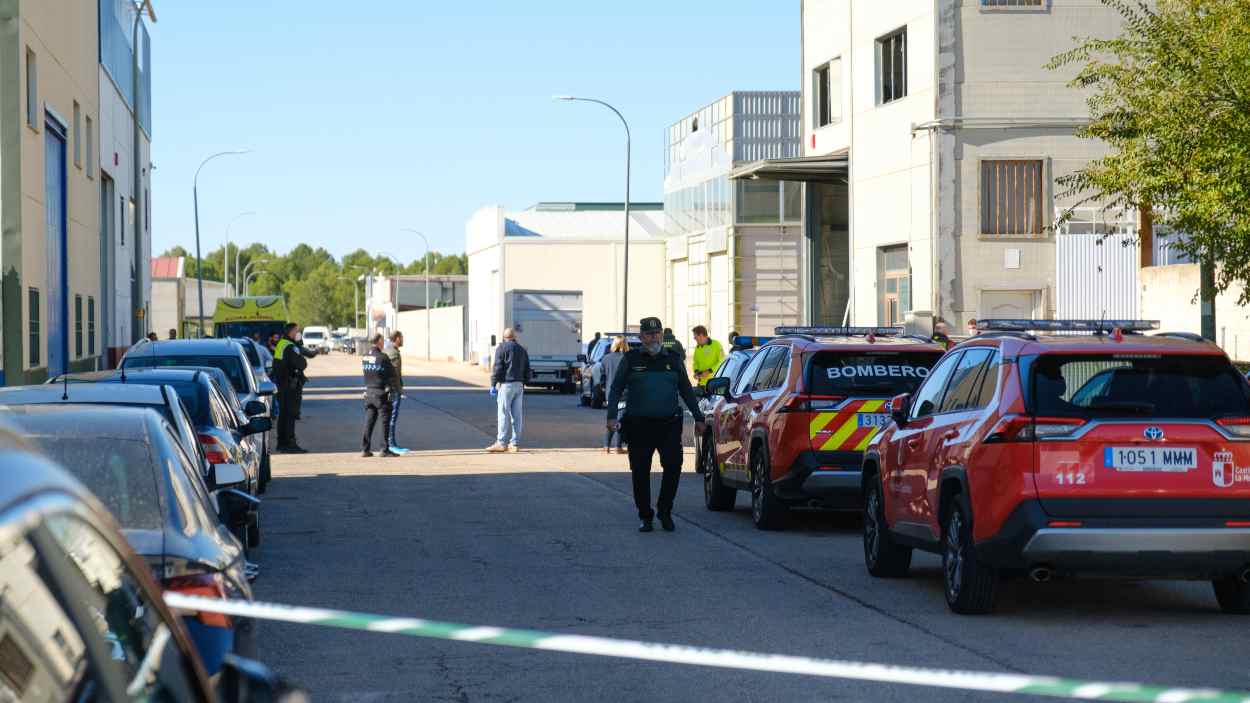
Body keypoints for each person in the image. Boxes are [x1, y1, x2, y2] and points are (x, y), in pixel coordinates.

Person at [607, 317, 705, 533]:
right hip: (639, 425)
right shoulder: (631, 359)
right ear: (641, 337)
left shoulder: (673, 359)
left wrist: (699, 417)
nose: (654, 337)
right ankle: (646, 516)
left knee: (673, 466)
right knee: (640, 471)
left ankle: (665, 511)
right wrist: (612, 416)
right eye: (650, 334)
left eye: (657, 333)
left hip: (668, 425)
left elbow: (686, 390)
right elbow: (615, 389)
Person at [487, 327, 530, 453]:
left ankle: (501, 443)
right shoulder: (522, 350)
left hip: (507, 385)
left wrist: (493, 384)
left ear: (504, 337)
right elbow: (528, 368)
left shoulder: (502, 348)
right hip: (519, 385)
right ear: (515, 337)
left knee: (503, 414)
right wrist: (525, 382)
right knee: (517, 415)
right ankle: (514, 443)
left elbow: (497, 367)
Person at [272, 323, 308, 453]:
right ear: (292, 332)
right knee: (290, 415)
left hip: (282, 385)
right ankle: (290, 444)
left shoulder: (282, 344)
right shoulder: (291, 346)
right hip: (290, 386)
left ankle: (282, 443)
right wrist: (299, 346)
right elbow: (302, 364)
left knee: (283, 415)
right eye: (298, 331)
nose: (299, 333)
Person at [361, 334, 398, 458]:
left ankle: (365, 449)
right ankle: (384, 449)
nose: (383, 344)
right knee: (384, 421)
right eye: (382, 341)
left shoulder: (365, 357)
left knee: (369, 421)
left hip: (368, 392)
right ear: (379, 342)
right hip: (381, 393)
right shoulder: (383, 357)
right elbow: (392, 374)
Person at [600, 336, 628, 454]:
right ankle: (618, 447)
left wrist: (603, 389)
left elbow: (602, 378)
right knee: (621, 420)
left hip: (610, 394)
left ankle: (606, 446)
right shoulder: (628, 359)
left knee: (611, 419)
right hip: (624, 394)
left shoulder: (605, 358)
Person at [383, 331, 408, 454]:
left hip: (392, 389)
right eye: (402, 338)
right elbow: (393, 374)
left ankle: (390, 442)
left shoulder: (390, 350)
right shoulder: (392, 352)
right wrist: (397, 389)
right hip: (393, 390)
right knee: (392, 417)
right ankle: (391, 443)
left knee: (390, 417)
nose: (403, 340)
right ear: (397, 338)